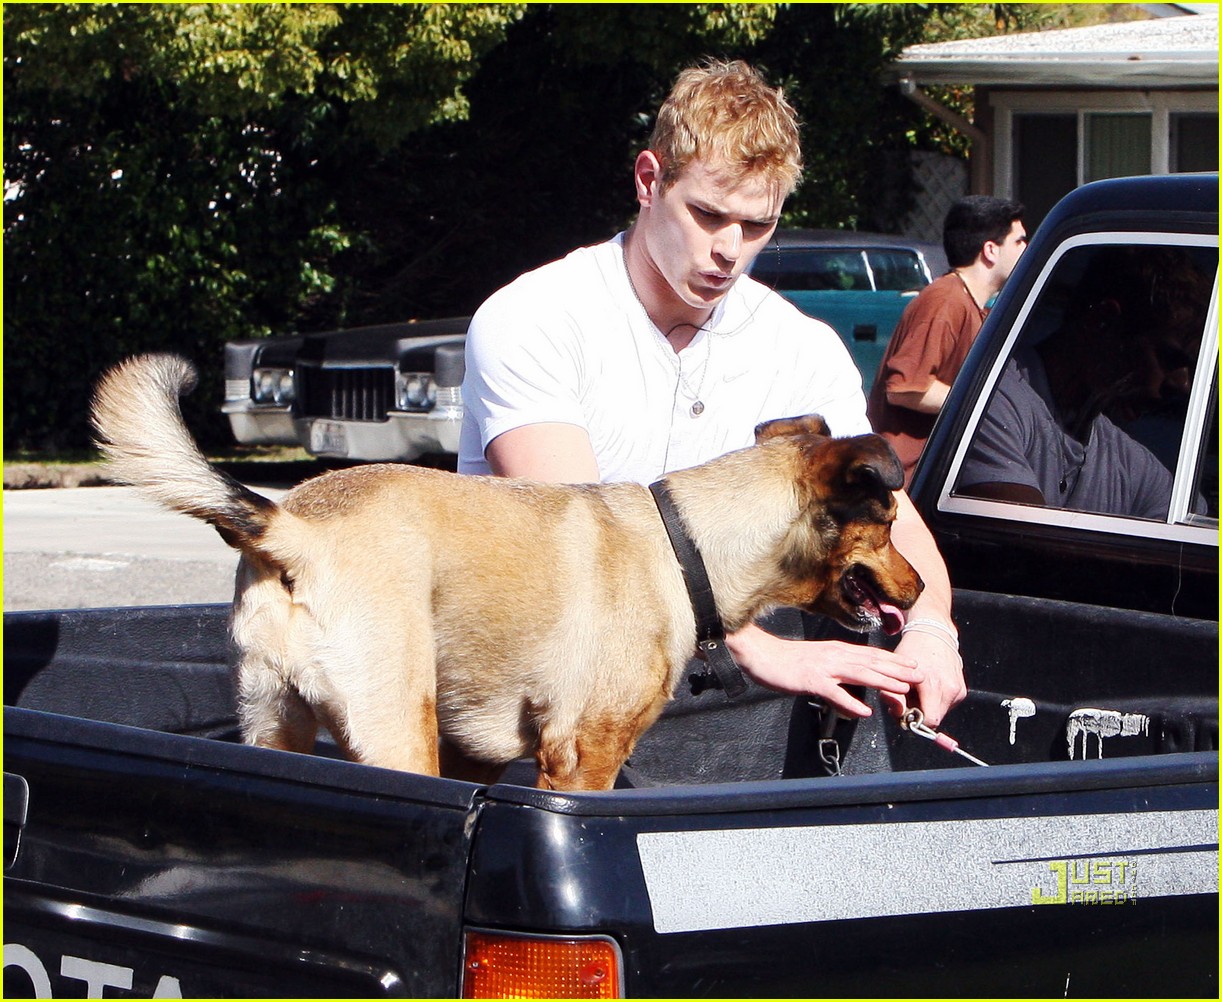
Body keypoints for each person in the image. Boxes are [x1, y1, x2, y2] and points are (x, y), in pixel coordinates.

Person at [459, 59, 965, 726]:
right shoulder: (533, 319)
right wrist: (761, 651)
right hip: (539, 702)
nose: (729, 249)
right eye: (706, 214)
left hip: (711, 718)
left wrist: (932, 631)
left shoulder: (799, 347)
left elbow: (886, 511)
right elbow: (586, 546)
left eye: (757, 226)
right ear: (648, 181)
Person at [957, 244, 1211, 518]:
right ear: (1102, 321)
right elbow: (1024, 548)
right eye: (1168, 358)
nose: (1182, 384)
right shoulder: (996, 402)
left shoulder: (1128, 463)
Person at [867, 196, 1027, 485]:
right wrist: (982, 403)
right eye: (1019, 242)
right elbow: (905, 388)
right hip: (900, 485)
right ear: (990, 250)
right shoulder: (945, 301)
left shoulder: (973, 305)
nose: (1026, 250)